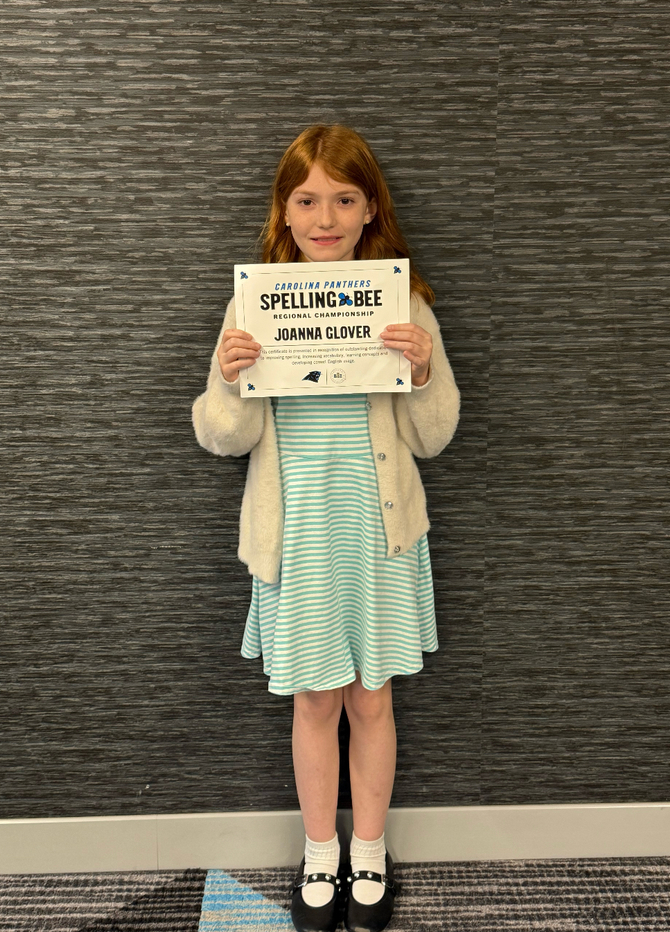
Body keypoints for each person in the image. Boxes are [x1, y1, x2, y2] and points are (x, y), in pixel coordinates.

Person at [192, 125, 460, 932]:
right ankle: (319, 851)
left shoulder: (404, 302)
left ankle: (368, 849)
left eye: (344, 198)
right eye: (306, 199)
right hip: (297, 536)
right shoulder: (253, 304)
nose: (325, 216)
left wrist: (418, 373)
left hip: (376, 534)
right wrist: (235, 381)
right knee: (314, 702)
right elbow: (218, 435)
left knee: (372, 701)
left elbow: (434, 435)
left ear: (369, 206)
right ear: (283, 210)